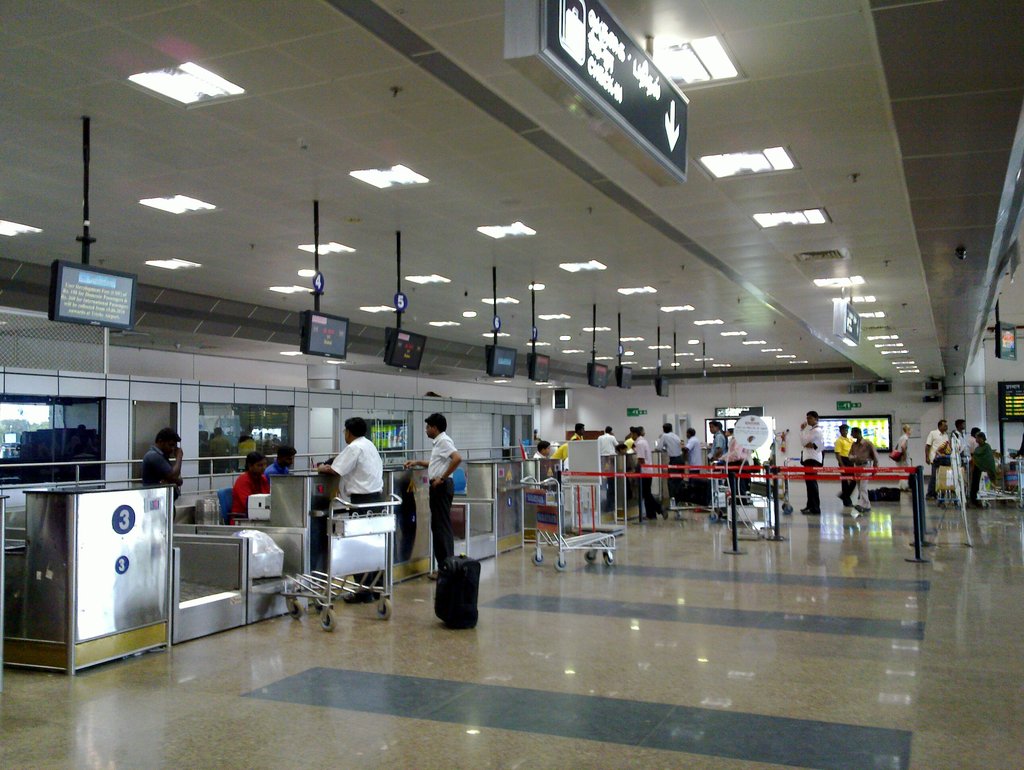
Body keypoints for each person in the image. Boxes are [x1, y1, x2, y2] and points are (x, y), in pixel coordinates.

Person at [317, 417, 385, 602]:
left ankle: (363, 591)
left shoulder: (354, 447)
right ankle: (377, 587)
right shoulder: (369, 445)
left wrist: (322, 468)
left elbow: (335, 470)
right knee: (373, 545)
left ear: (348, 431)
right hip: (375, 500)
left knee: (359, 546)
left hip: (361, 501)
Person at [405, 413, 462, 578]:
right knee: (439, 526)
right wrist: (417, 462)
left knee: (441, 528)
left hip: (441, 487)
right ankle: (445, 566)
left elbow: (457, 458)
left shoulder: (443, 441)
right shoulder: (439, 442)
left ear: (435, 428)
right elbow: (436, 463)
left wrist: (442, 478)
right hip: (440, 486)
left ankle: (446, 568)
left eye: (428, 427)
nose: (426, 430)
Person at [141, 427, 183, 495]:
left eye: (174, 446)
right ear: (161, 442)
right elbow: (174, 476)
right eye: (170, 445)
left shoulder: (162, 456)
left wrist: (175, 479)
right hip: (155, 497)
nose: (173, 449)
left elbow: (176, 480)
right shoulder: (154, 456)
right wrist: (179, 456)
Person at [633, 426, 663, 520]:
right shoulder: (643, 441)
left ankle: (659, 508)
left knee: (646, 494)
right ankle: (651, 514)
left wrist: (636, 468)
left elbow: (641, 459)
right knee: (647, 493)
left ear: (635, 434)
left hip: (644, 471)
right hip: (648, 470)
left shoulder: (640, 443)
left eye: (632, 434)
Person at [847, 427, 878, 514]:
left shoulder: (867, 443)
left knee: (863, 486)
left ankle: (863, 505)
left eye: (853, 433)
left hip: (866, 466)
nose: (851, 435)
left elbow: (875, 456)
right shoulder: (854, 444)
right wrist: (852, 458)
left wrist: (875, 468)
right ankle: (866, 505)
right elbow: (849, 454)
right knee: (859, 486)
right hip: (857, 466)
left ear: (858, 433)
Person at [799, 411, 823, 515]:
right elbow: (806, 444)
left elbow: (804, 442)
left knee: (812, 484)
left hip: (812, 459)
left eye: (810, 418)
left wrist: (801, 430)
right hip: (809, 459)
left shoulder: (816, 430)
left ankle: (815, 508)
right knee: (809, 484)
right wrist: (808, 444)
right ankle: (810, 506)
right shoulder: (812, 430)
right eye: (807, 418)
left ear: (816, 419)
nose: (808, 420)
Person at [657, 422, 684, 506]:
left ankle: (673, 501)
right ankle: (680, 500)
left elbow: (659, 447)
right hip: (680, 459)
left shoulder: (664, 436)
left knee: (671, 481)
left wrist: (663, 449)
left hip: (673, 460)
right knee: (679, 481)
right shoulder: (676, 436)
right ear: (671, 429)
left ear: (664, 429)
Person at [925, 419, 951, 499]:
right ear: (940, 426)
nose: (946, 427)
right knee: (934, 476)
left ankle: (941, 493)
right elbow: (928, 446)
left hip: (945, 458)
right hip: (935, 459)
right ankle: (930, 494)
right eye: (945, 425)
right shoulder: (933, 433)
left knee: (944, 476)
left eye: (946, 425)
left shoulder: (946, 435)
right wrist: (927, 457)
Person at [970, 431, 997, 506]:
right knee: (975, 484)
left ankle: (985, 498)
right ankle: (974, 499)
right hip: (977, 469)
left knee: (985, 484)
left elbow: (988, 459)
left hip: (985, 470)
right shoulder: (977, 448)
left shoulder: (987, 447)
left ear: (981, 438)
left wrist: (983, 466)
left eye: (977, 438)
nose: (976, 439)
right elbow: (975, 456)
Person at [834, 424, 855, 507]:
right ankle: (847, 501)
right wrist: (842, 464)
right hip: (843, 460)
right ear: (840, 431)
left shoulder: (850, 440)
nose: (845, 431)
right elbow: (837, 454)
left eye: (846, 430)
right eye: (843, 430)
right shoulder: (839, 441)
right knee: (845, 481)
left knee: (854, 480)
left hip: (850, 460)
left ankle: (844, 496)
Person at [894, 424, 913, 491]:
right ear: (907, 430)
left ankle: (901, 486)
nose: (911, 431)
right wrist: (904, 456)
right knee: (906, 472)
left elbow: (897, 447)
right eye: (910, 430)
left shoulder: (901, 437)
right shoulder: (905, 438)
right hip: (904, 458)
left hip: (899, 458)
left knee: (901, 473)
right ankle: (905, 487)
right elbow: (903, 446)